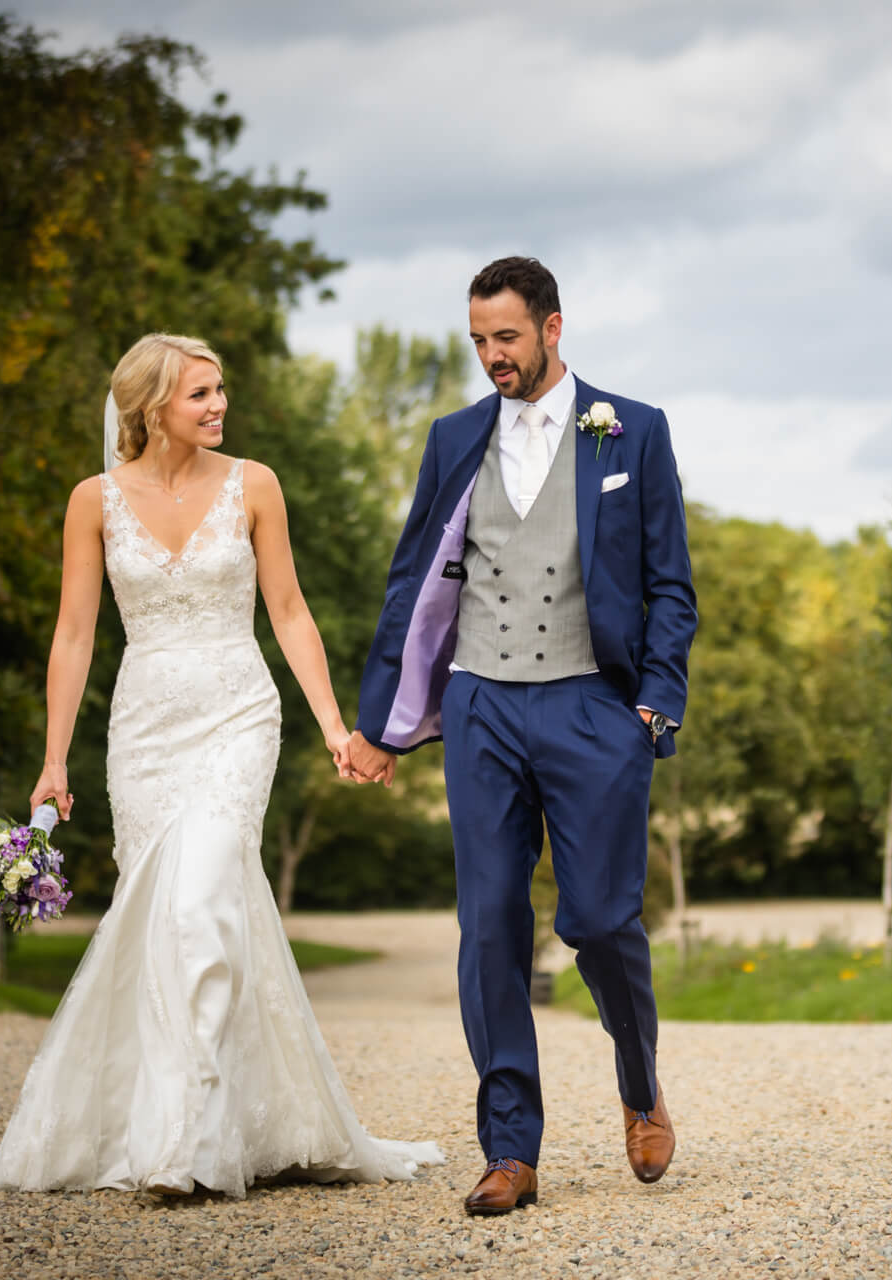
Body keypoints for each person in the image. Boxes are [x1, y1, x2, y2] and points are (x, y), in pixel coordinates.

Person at [0, 333, 442, 1198]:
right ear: (151, 406)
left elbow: (289, 610)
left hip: (238, 715)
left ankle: (188, 1142)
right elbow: (74, 634)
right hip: (144, 731)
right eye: (200, 393)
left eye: (220, 389)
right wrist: (53, 759)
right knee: (164, 917)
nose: (219, 404)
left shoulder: (254, 484)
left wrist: (335, 727)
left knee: (200, 901)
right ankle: (186, 1122)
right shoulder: (93, 500)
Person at [345, 258, 697, 1216]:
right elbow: (412, 579)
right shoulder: (454, 436)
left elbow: (671, 586)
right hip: (483, 708)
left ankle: (640, 1082)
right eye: (478, 342)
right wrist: (381, 721)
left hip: (593, 706)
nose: (492, 356)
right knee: (491, 923)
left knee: (599, 920)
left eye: (506, 337)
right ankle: (510, 1150)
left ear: (551, 327)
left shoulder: (633, 430)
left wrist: (654, 704)